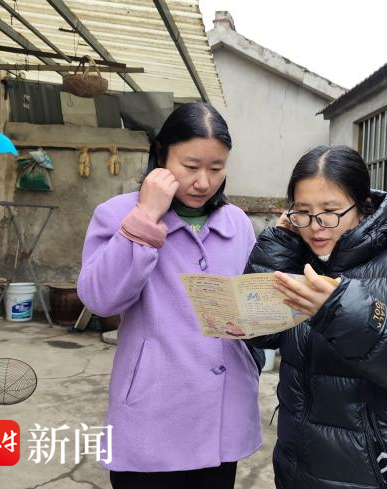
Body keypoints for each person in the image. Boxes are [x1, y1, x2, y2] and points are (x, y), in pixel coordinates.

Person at [245, 145, 387, 489]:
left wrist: (345, 312)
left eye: (330, 212)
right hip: (296, 469)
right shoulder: (303, 264)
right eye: (303, 212)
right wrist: (279, 244)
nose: (316, 226)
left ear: (363, 206)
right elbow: (259, 333)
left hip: (377, 475)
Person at [78, 102, 263, 489]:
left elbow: (248, 302)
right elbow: (100, 299)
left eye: (216, 168)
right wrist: (145, 219)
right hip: (152, 412)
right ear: (161, 156)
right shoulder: (118, 214)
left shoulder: (237, 223)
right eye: (190, 166)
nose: (203, 182)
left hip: (222, 416)